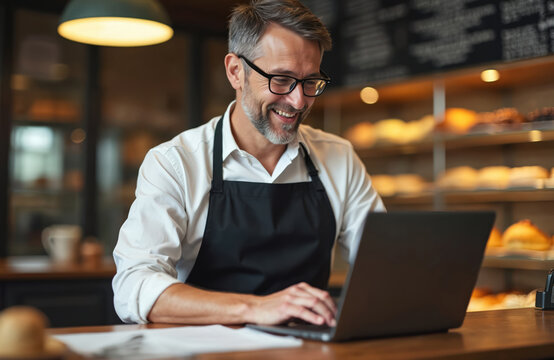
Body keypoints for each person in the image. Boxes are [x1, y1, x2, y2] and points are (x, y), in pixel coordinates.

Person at [112, 0, 385, 327]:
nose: (298, 101)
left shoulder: (338, 158)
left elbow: (384, 265)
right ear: (235, 71)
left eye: (310, 82)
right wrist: (254, 309)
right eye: (281, 79)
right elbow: (134, 286)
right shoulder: (176, 163)